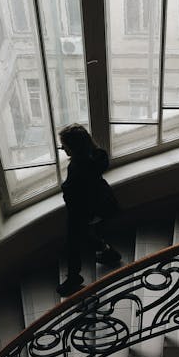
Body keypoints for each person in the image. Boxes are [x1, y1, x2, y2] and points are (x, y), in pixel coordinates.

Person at [57, 124, 121, 296]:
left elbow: (75, 192)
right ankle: (108, 253)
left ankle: (73, 279)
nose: (62, 148)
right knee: (85, 235)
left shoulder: (78, 167)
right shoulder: (97, 156)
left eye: (65, 145)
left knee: (73, 244)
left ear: (75, 147)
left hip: (83, 210)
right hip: (102, 204)